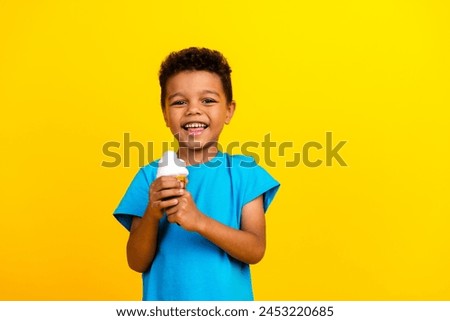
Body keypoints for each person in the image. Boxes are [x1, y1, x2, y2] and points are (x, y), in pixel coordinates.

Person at [114, 47, 280, 300]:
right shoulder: (150, 177)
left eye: (208, 100)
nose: (193, 110)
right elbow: (136, 261)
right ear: (165, 114)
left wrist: (199, 222)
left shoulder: (245, 174)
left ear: (229, 111)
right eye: (180, 102)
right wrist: (152, 213)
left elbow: (255, 249)